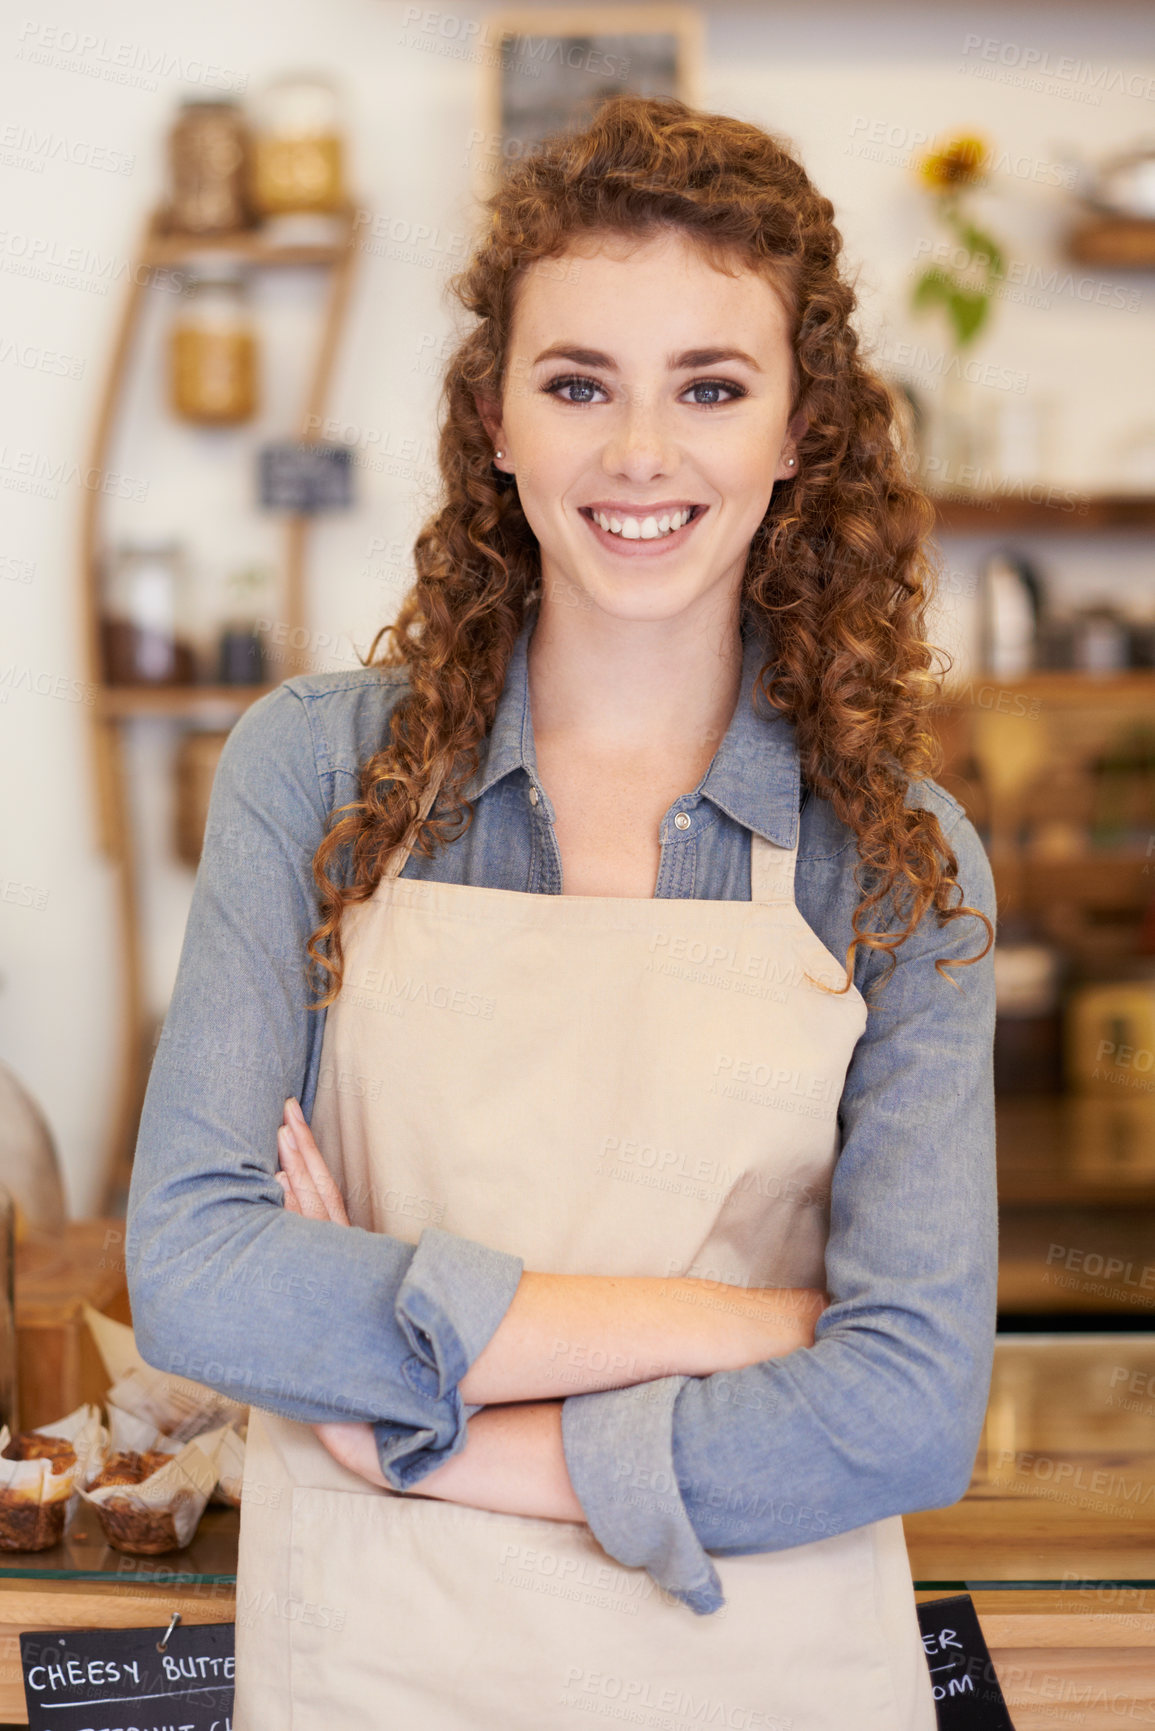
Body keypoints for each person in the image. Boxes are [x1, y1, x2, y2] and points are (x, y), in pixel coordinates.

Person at [125, 93, 996, 1730]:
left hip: (763, 1678)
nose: (641, 455)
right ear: (497, 421)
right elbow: (197, 1274)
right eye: (580, 382)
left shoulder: (893, 854)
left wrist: (444, 1436)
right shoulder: (317, 772)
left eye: (712, 388)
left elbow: (908, 1414)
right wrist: (745, 1329)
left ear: (800, 431)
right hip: (381, 1677)